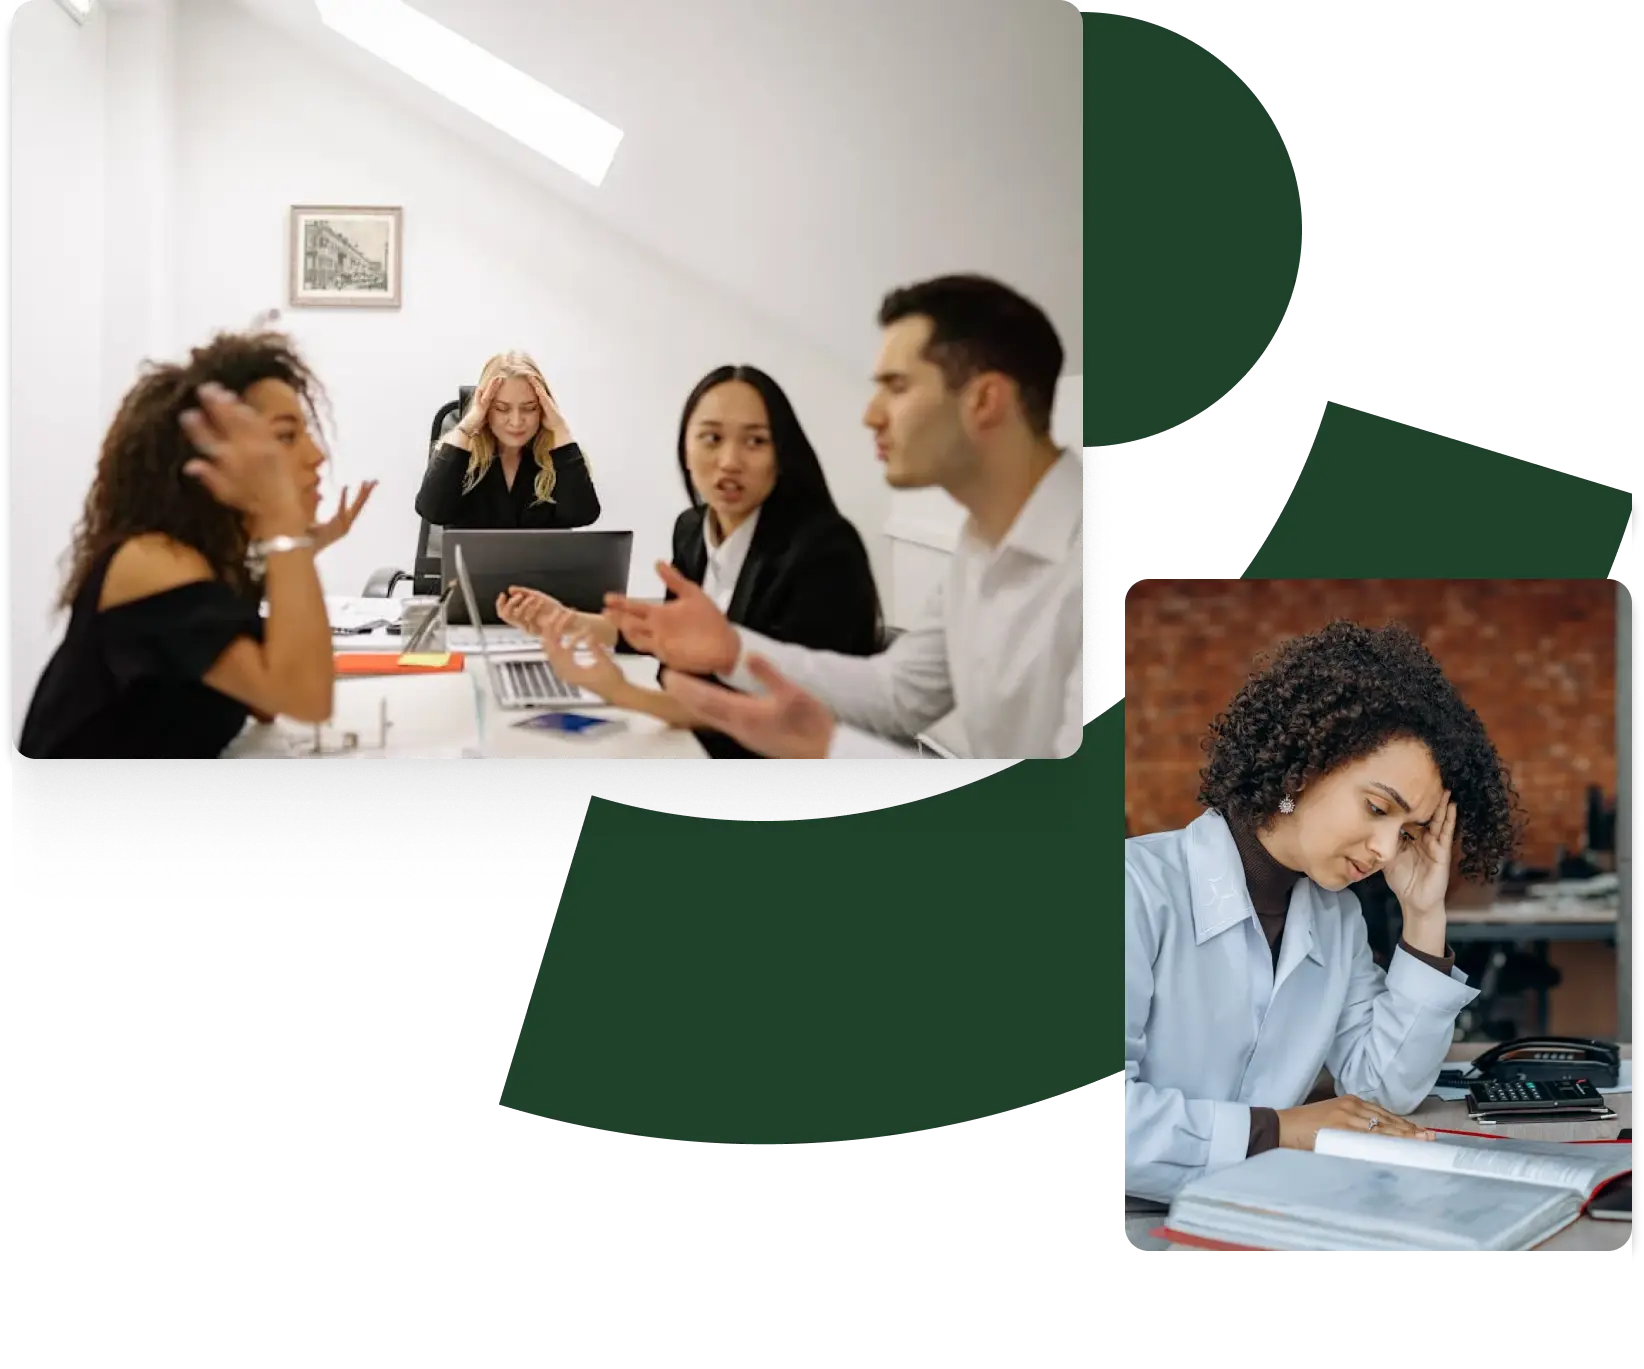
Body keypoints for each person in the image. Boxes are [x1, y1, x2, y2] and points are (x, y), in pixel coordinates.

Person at [1120, 621, 1525, 1204]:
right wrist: (1280, 1131)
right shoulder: (1133, 889)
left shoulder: (1335, 918)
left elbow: (1382, 1090)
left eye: (1408, 831)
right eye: (1377, 807)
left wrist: (1423, 915)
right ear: (1304, 765)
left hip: (1257, 1215)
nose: (1387, 849)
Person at [601, 274, 1082, 760]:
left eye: (896, 387)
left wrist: (829, 747)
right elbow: (898, 696)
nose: (871, 415)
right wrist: (731, 650)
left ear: (984, 401)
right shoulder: (981, 546)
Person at [493, 365, 883, 758]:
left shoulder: (823, 551)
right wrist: (570, 621)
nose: (730, 461)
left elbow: (778, 722)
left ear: (782, 455)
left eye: (756, 441)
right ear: (685, 449)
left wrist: (621, 692)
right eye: (711, 438)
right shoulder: (693, 530)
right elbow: (667, 639)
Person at [19, 329, 376, 758]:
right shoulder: (150, 562)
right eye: (285, 436)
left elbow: (264, 701)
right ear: (206, 462)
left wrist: (288, 548)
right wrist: (284, 529)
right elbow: (306, 698)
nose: (316, 455)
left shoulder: (212, 565)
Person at [414, 350, 600, 530]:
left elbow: (583, 515)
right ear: (485, 409)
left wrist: (560, 430)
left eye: (529, 408)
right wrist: (465, 429)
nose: (517, 421)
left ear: (543, 408)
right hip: (475, 562)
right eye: (502, 409)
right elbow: (432, 512)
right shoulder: (461, 453)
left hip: (543, 563)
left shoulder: (559, 455)